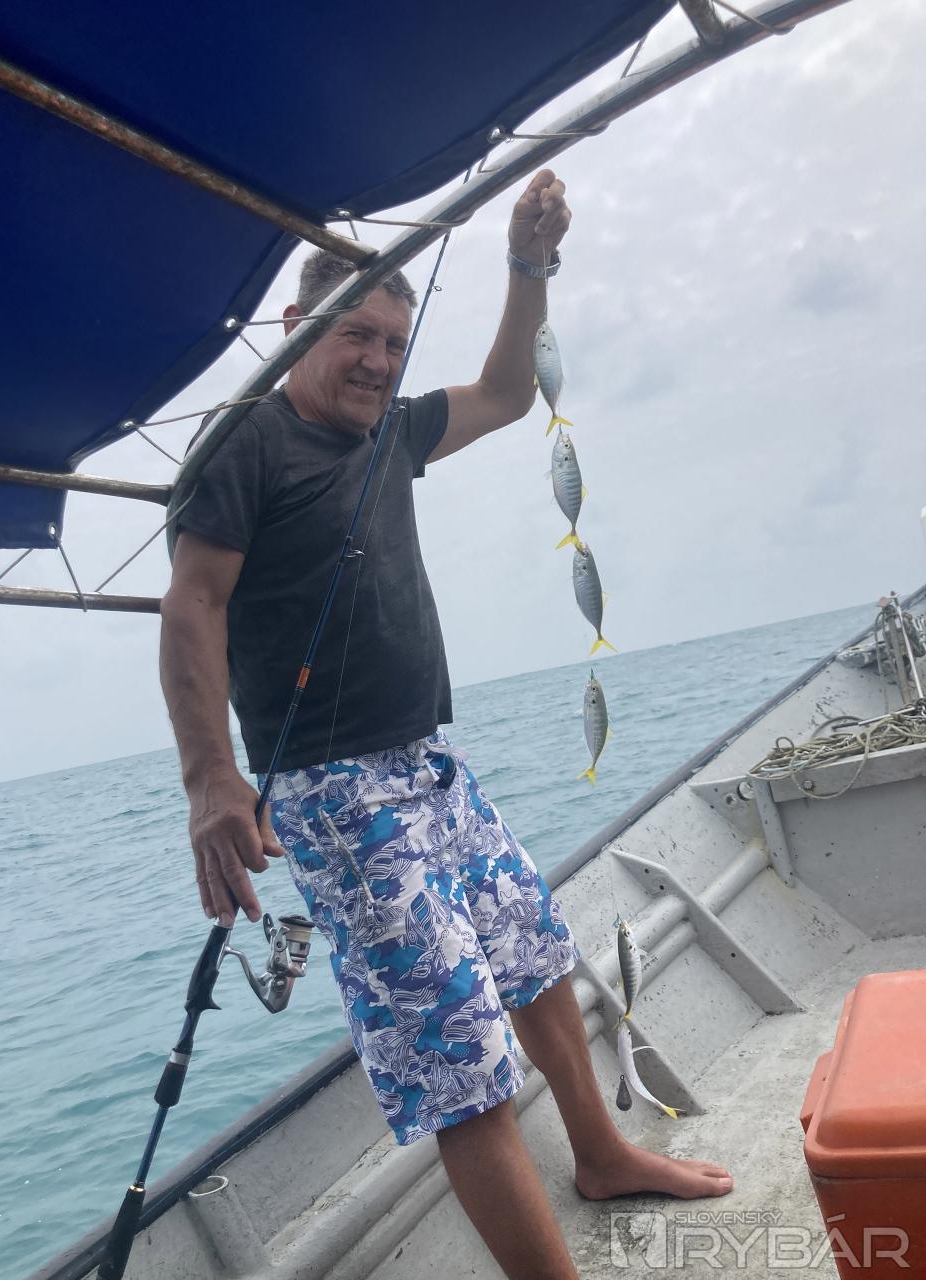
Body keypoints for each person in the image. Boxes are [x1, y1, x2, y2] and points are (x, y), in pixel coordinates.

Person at [160, 169, 732, 1280]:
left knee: (533, 951)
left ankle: (601, 1153)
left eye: (392, 341)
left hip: (430, 761)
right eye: (355, 336)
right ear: (295, 326)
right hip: (335, 794)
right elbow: (193, 605)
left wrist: (528, 264)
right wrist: (210, 781)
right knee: (455, 1055)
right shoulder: (244, 444)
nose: (378, 361)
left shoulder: (392, 430)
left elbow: (509, 393)